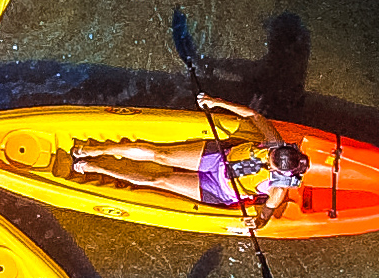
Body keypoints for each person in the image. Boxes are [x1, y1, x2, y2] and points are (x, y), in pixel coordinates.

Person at [66, 95, 304, 223]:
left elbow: (265, 214)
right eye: (271, 153)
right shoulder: (275, 141)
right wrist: (216, 102)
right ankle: (93, 151)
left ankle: (95, 166)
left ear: (281, 172)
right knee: (161, 154)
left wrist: (258, 223)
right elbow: (253, 114)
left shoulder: (278, 190)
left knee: (158, 179)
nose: (268, 154)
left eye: (270, 160)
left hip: (221, 190)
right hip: (218, 159)